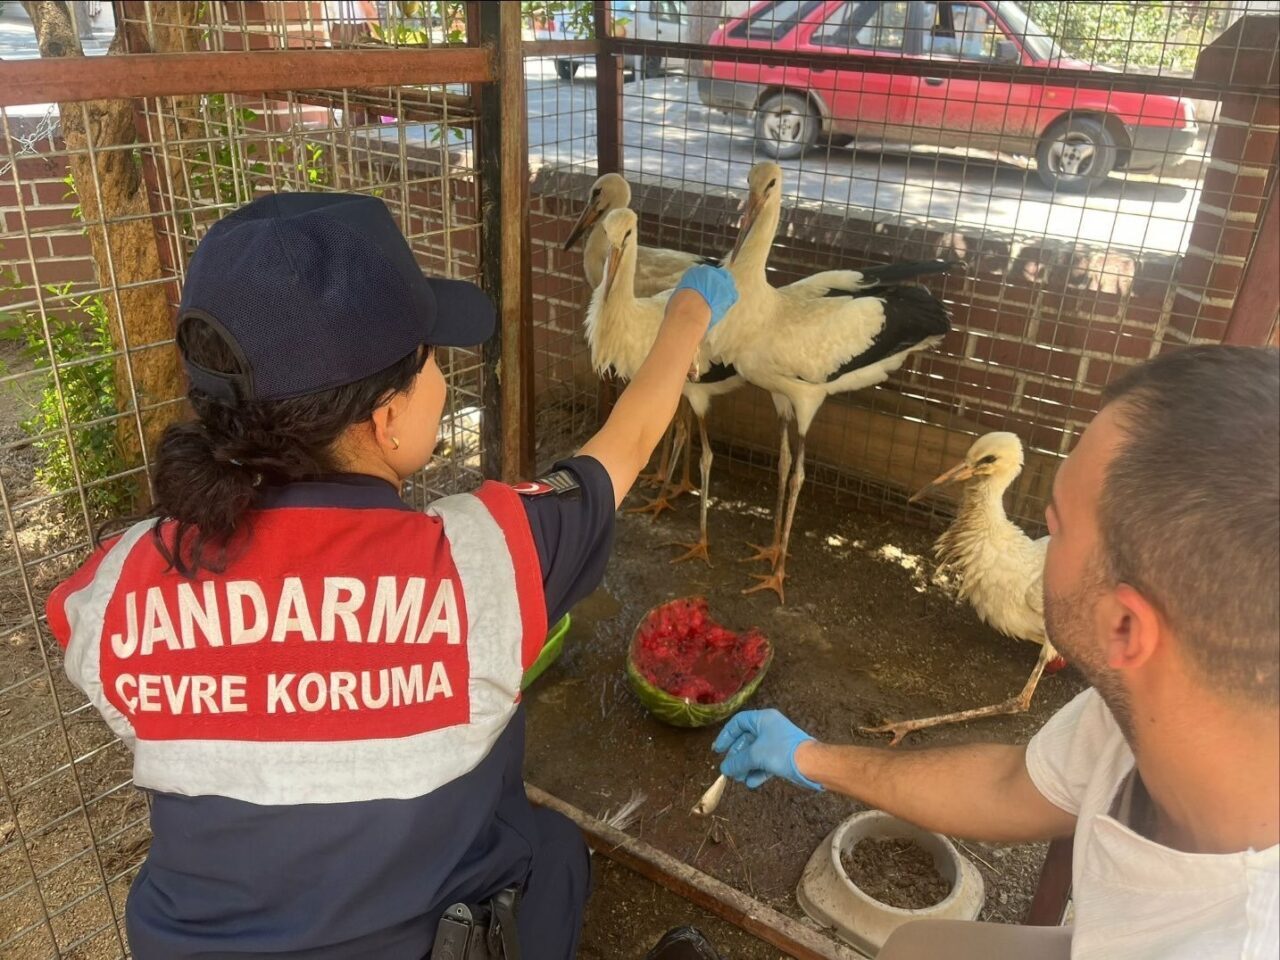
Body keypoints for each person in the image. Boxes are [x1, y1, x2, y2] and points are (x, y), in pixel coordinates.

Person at [46, 192, 738, 959]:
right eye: (431, 358)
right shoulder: (486, 565)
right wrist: (687, 316)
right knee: (556, 853)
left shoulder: (118, 584)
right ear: (384, 417)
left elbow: (96, 644)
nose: (442, 375)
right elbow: (628, 440)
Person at [713, 346, 1279, 959]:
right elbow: (1014, 783)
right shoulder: (1147, 707)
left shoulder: (1233, 940)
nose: (1042, 533)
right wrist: (811, 757)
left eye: (1057, 528)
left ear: (1125, 626)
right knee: (917, 949)